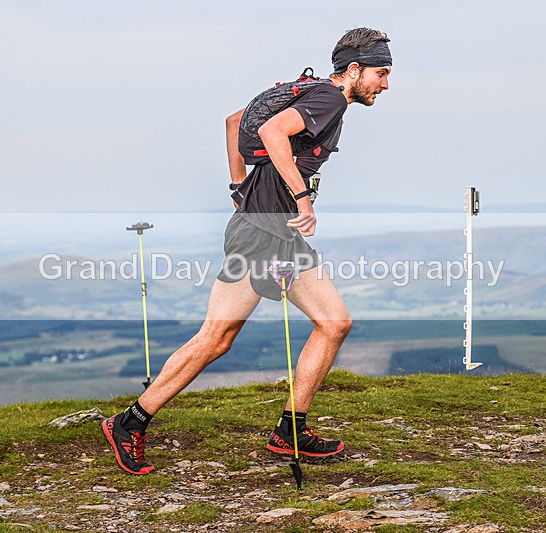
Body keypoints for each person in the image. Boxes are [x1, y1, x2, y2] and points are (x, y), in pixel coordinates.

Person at [102, 27, 392, 475]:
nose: (385, 85)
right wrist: (302, 198)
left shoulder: (311, 91)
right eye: (380, 73)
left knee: (334, 323)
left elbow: (235, 120)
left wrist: (239, 187)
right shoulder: (329, 98)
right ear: (353, 70)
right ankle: (129, 423)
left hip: (276, 232)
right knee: (216, 338)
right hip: (260, 232)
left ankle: (290, 430)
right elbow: (272, 130)